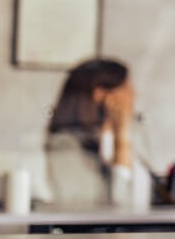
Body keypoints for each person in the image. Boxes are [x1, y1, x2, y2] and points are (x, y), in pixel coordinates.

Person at [44, 58, 139, 207]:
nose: (134, 94)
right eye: (126, 87)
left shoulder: (104, 139)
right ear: (101, 94)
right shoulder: (64, 146)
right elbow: (118, 206)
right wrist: (122, 137)